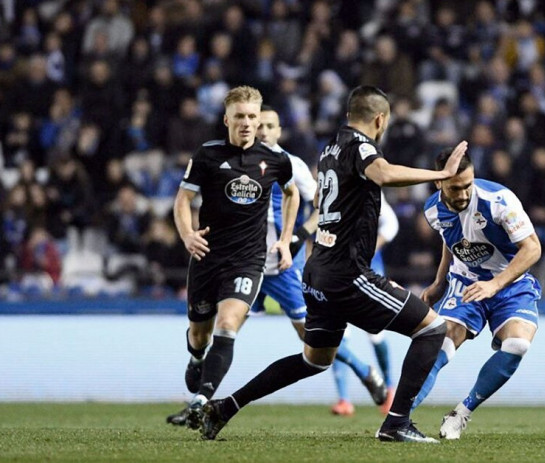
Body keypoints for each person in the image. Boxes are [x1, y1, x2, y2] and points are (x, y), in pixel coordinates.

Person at [199, 85, 468, 443]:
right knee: (432, 330)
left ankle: (225, 407)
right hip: (349, 274)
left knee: (314, 359)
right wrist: (441, 176)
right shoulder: (362, 146)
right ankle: (396, 423)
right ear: (380, 119)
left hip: (317, 271)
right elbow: (383, 174)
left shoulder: (330, 149)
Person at [166, 86, 299, 429]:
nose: (246, 123)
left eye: (252, 117)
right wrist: (187, 235)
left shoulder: (275, 160)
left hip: (248, 260)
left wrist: (285, 240)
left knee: (228, 325)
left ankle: (202, 400)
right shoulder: (208, 155)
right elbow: (182, 200)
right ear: (227, 119)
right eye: (239, 116)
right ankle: (197, 358)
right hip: (207, 256)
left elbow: (292, 193)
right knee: (200, 336)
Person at [250, 105, 387, 408]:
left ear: (279, 131)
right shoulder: (234, 163)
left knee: (312, 340)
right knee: (223, 326)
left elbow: (322, 203)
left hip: (283, 265)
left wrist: (298, 236)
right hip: (246, 263)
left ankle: (365, 372)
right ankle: (200, 398)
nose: (262, 131)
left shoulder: (291, 165)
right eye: (258, 125)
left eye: (269, 126)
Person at [410, 147, 542, 439]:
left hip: (511, 283)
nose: (463, 194)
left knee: (518, 345)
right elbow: (451, 239)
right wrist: (439, 281)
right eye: (455, 188)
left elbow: (532, 248)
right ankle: (399, 419)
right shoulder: (432, 209)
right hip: (466, 281)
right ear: (439, 183)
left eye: (468, 185)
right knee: (440, 344)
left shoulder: (499, 201)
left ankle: (461, 413)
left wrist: (495, 285)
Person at [331, 192, 398, 416]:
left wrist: (372, 246)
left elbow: (392, 224)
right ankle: (343, 399)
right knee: (338, 331)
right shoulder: (332, 189)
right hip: (337, 271)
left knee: (375, 331)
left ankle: (389, 390)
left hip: (369, 271)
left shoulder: (371, 191)